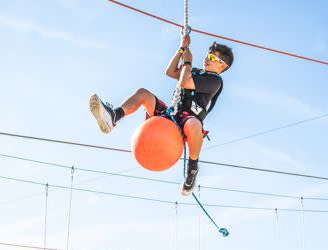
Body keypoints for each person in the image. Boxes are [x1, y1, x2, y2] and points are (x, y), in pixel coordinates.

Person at [89, 34, 233, 195]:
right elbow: (170, 72)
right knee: (143, 93)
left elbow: (185, 82)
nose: (207, 58)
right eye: (208, 54)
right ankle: (114, 116)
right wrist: (181, 49)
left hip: (187, 120)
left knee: (195, 125)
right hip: (171, 113)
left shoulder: (215, 81)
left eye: (213, 57)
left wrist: (187, 62)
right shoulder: (195, 71)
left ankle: (192, 169)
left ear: (223, 66)